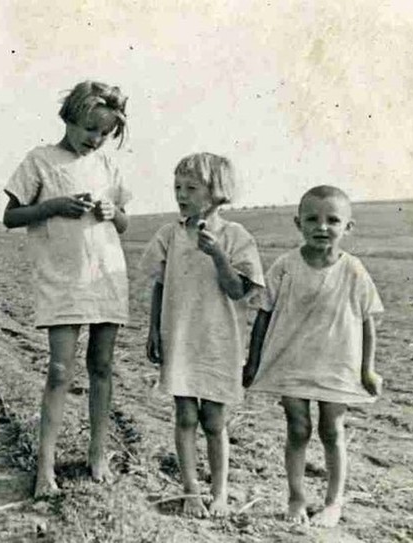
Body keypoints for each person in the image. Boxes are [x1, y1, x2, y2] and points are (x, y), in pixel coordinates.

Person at [2, 80, 132, 498]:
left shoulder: (108, 167)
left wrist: (114, 212)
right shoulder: (40, 161)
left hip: (106, 275)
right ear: (70, 118)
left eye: (104, 133)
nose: (95, 139)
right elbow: (11, 216)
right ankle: (46, 467)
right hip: (62, 279)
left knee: (102, 367)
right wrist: (54, 206)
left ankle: (98, 455)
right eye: (89, 129)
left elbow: (125, 222)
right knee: (60, 371)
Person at [243, 185, 383, 527]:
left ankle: (333, 502)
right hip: (292, 361)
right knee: (298, 427)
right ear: (298, 223)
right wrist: (253, 361)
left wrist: (368, 371)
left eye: (332, 220)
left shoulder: (353, 270)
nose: (322, 227)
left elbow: (367, 322)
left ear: (348, 227)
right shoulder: (285, 265)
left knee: (332, 429)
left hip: (338, 363)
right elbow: (263, 314)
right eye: (312, 219)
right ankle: (296, 497)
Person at [140, 152, 264, 517]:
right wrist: (153, 330)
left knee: (214, 421)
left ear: (217, 192)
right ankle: (191, 491)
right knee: (185, 417)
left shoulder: (235, 236)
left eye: (191, 188)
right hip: (179, 337)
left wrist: (218, 256)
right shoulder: (170, 235)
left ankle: (220, 492)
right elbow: (160, 285)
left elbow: (238, 290)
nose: (181, 194)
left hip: (218, 341)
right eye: (177, 186)